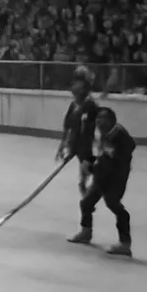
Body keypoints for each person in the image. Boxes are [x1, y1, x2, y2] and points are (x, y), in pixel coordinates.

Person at [68, 107, 136, 256]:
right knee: (86, 203)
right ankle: (86, 232)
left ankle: (125, 243)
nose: (99, 121)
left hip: (115, 178)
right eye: (98, 118)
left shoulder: (117, 135)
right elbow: (103, 157)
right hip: (102, 177)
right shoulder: (106, 135)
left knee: (114, 204)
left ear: (112, 120)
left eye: (104, 118)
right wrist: (89, 161)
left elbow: (112, 161)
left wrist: (92, 168)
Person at [56, 66, 100, 197]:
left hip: (84, 144)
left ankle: (85, 187)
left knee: (87, 166)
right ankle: (85, 187)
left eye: (78, 82)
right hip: (75, 143)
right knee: (86, 167)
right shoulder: (74, 104)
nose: (74, 86)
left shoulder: (90, 105)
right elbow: (67, 125)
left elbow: (93, 127)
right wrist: (63, 144)